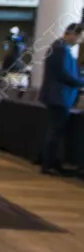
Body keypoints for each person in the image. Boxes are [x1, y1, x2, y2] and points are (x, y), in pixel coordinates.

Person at [39, 23, 84, 176]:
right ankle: (49, 164)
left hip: (58, 96)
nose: (78, 41)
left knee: (55, 131)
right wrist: (81, 82)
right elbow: (64, 74)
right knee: (55, 131)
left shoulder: (60, 48)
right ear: (71, 34)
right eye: (78, 37)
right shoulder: (60, 49)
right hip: (58, 96)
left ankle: (52, 162)